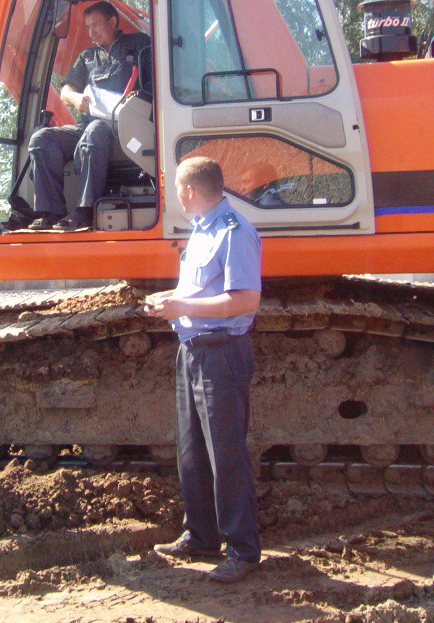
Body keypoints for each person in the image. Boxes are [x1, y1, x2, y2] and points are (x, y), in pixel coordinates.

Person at [144, 156, 262, 583]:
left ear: (190, 191)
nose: (174, 196)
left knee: (226, 455)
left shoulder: (234, 232)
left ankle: (243, 551)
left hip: (222, 353)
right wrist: (170, 299)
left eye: (176, 188)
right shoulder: (202, 232)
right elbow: (199, 289)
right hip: (192, 350)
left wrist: (182, 306)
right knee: (192, 451)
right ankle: (200, 535)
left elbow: (246, 299)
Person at [27, 0, 151, 231]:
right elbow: (66, 90)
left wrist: (139, 96)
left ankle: (84, 210)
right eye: (88, 27)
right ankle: (50, 211)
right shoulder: (86, 57)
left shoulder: (139, 44)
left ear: (113, 21)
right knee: (41, 140)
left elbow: (156, 82)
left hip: (124, 126)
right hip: (88, 123)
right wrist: (76, 99)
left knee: (94, 132)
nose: (91, 31)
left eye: (96, 25)